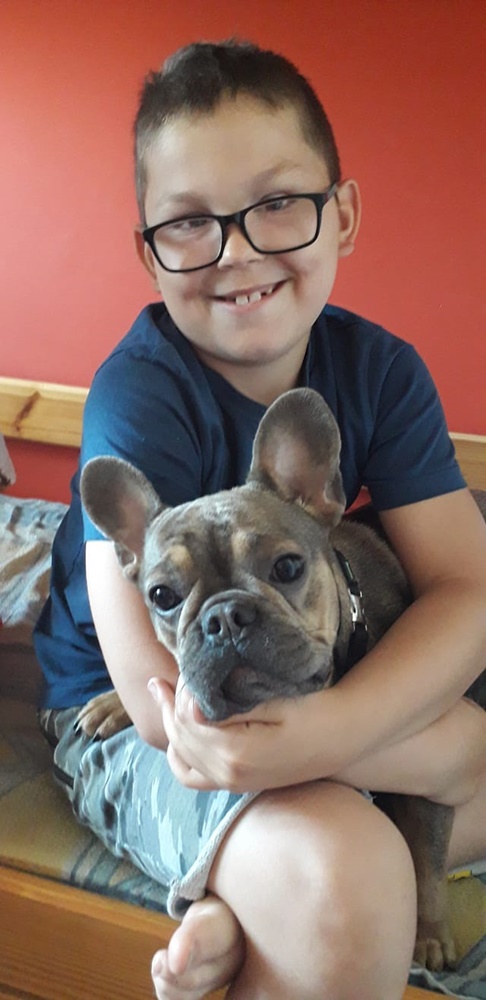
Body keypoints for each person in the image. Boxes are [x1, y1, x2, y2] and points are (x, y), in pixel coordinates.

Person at [34, 40, 486, 1000]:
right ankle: (262, 888)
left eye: (278, 203)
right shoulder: (138, 397)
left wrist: (341, 727)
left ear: (343, 215)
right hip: (144, 723)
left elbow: (467, 589)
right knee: (352, 879)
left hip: (311, 699)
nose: (237, 250)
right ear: (149, 250)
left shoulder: (381, 372)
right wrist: (422, 748)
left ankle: (237, 906)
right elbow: (165, 706)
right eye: (190, 222)